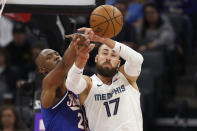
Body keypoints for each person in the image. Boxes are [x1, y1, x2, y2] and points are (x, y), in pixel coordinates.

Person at [66, 27, 144, 131]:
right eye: (105, 53)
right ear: (96, 58)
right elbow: (71, 85)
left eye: (113, 55)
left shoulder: (126, 77)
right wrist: (81, 58)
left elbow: (137, 59)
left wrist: (103, 39)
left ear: (118, 63)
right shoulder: (89, 84)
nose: (108, 57)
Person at [35, 33, 94, 131]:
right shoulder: (48, 84)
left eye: (57, 54)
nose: (56, 57)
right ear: (42, 69)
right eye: (49, 57)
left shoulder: (73, 86)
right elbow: (63, 66)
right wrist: (74, 44)